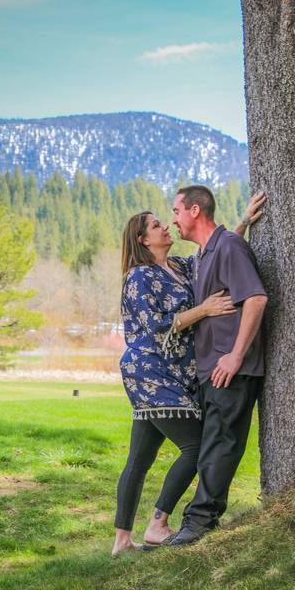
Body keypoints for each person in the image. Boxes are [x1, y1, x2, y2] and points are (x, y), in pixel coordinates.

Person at [112, 196, 264, 555]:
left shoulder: (179, 267)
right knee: (196, 447)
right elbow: (157, 328)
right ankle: (158, 524)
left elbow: (212, 255)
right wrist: (205, 309)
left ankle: (121, 541)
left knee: (140, 457)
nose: (165, 226)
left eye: (166, 221)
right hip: (151, 374)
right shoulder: (139, 278)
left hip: (176, 375)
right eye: (155, 225)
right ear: (142, 240)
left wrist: (240, 225)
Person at [168, 185, 268, 546]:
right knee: (213, 443)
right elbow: (224, 251)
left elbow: (256, 298)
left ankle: (200, 522)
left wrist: (236, 354)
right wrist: (242, 222)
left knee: (219, 444)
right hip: (211, 369)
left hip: (232, 369)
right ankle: (196, 520)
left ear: (195, 210)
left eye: (176, 211)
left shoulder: (227, 246)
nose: (173, 220)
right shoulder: (208, 252)